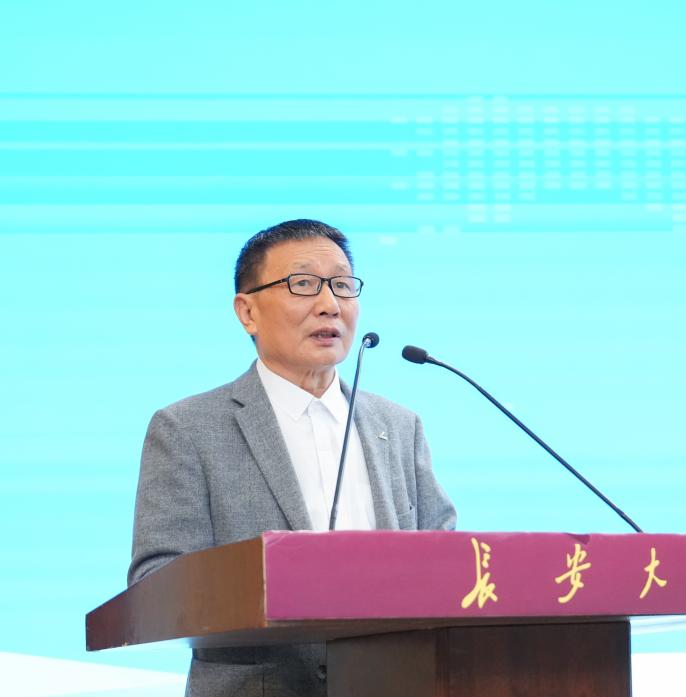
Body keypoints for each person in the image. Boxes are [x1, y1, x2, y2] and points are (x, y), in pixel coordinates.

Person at [128, 219, 456, 697]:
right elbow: (158, 582)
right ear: (247, 312)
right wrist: (285, 581)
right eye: (303, 284)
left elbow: (449, 562)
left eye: (342, 285)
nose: (329, 304)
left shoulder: (400, 426)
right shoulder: (187, 429)